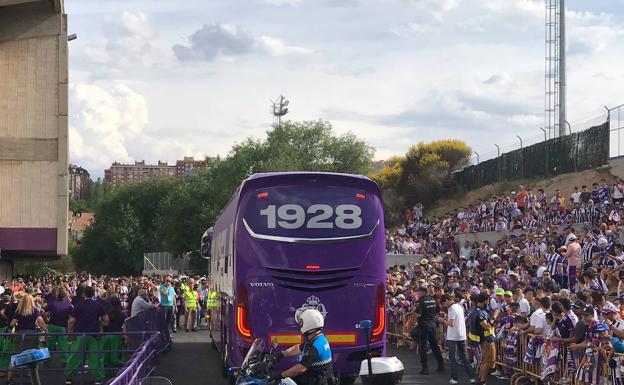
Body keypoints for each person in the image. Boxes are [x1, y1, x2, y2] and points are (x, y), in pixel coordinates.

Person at [271, 308, 334, 385]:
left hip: (317, 381)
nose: (300, 325)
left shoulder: (315, 347)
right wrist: (282, 354)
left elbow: (300, 369)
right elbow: (299, 348)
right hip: (315, 378)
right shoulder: (318, 338)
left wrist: (280, 375)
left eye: (301, 323)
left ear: (309, 324)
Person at [65, 286, 109, 385]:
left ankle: (69, 377)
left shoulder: (78, 305)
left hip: (80, 334)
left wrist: (70, 333)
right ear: (93, 294)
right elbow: (106, 321)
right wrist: (98, 323)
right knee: (94, 357)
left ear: (84, 294)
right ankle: (97, 378)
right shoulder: (98, 306)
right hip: (94, 335)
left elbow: (71, 321)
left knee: (75, 356)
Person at [6, 293, 48, 385]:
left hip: (19, 335)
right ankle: (32, 377)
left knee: (14, 357)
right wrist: (46, 332)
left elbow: (12, 324)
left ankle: (8, 379)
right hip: (32, 334)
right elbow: (41, 321)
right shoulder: (35, 310)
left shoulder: (19, 311)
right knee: (33, 356)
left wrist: (14, 323)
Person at [438, 293, 476, 384]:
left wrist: (442, 320)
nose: (444, 305)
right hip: (462, 335)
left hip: (453, 336)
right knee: (465, 357)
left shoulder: (451, 309)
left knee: (453, 358)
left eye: (443, 303)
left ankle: (454, 379)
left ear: (446, 300)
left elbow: (451, 323)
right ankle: (471, 377)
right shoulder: (459, 307)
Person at [414, 286, 444, 374]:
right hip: (432, 324)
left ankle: (425, 369)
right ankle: (441, 365)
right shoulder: (433, 300)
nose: (417, 293)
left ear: (423, 292)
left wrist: (413, 315)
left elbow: (418, 315)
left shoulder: (420, 301)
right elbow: (438, 310)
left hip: (423, 325)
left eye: (418, 292)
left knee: (422, 347)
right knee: (434, 345)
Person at [469, 293, 496, 385]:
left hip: (478, 340)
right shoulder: (480, 312)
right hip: (484, 340)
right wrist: (493, 318)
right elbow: (486, 327)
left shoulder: (474, 311)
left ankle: (481, 379)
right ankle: (482, 381)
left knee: (483, 361)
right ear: (485, 301)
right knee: (486, 361)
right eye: (488, 300)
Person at [44, 287, 73, 365]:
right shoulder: (68, 304)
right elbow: (72, 315)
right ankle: (64, 361)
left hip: (52, 326)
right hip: (62, 327)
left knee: (50, 345)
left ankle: (47, 360)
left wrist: (46, 319)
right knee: (63, 345)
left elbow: (45, 311)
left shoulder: (53, 303)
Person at [102, 295, 127, 368]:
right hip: (117, 335)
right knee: (115, 357)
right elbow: (125, 324)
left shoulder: (107, 312)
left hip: (107, 335)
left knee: (106, 357)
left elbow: (104, 322)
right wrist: (125, 336)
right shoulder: (122, 313)